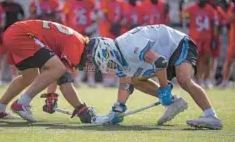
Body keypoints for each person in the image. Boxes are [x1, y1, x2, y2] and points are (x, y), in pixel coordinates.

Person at [89, 25, 223, 130]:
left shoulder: (129, 46)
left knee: (184, 80)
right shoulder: (117, 54)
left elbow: (160, 62)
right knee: (136, 80)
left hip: (178, 44)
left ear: (110, 53)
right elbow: (125, 83)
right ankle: (174, 102)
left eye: (109, 63)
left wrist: (164, 89)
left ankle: (211, 116)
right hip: (163, 55)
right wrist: (118, 109)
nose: (110, 68)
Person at [0, 20, 96, 123]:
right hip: (23, 34)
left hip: (16, 32)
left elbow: (54, 74)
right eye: (92, 59)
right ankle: (22, 103)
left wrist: (51, 95)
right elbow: (63, 80)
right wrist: (81, 108)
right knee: (58, 69)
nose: (90, 62)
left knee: (30, 76)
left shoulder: (76, 40)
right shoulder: (77, 44)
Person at [183, 0, 219, 89]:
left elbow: (214, 23)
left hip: (207, 37)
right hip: (195, 38)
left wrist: (214, 37)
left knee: (207, 59)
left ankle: (206, 79)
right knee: (195, 60)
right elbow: (183, 16)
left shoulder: (210, 9)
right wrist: (181, 7)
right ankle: (196, 79)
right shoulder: (191, 8)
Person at [62, 0, 98, 87]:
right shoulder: (69, 2)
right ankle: (76, 78)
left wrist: (92, 27)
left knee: (90, 56)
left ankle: (90, 79)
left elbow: (98, 15)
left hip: (87, 33)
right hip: (74, 33)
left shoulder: (90, 1)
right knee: (74, 57)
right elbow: (64, 17)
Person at [0, 0, 25, 87]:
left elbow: (23, 18)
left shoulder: (18, 5)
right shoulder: (0, 5)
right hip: (3, 33)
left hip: (14, 33)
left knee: (14, 57)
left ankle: (14, 78)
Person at [217, 1, 235, 88]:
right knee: (229, 62)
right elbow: (229, 19)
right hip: (233, 40)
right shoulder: (232, 7)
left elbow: (229, 18)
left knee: (228, 62)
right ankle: (224, 82)